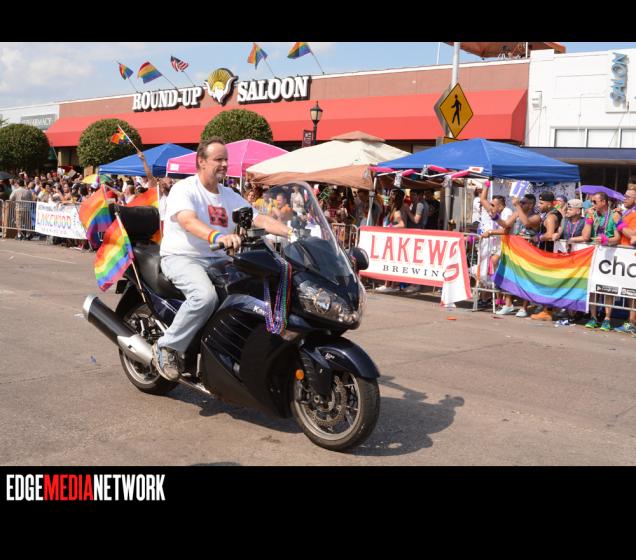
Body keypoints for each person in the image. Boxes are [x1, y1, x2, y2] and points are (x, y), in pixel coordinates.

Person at [153, 137, 294, 381]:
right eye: (218, 159)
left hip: (218, 260)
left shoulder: (229, 195)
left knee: (251, 294)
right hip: (183, 257)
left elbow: (258, 218)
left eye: (226, 159)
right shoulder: (185, 189)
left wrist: (291, 233)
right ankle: (167, 347)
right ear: (201, 161)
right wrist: (217, 236)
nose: (225, 164)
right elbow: (187, 220)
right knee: (204, 297)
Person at [582, 191, 621, 331]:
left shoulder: (614, 215)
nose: (592, 204)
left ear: (603, 202)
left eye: (594, 202)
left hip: (609, 255)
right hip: (594, 254)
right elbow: (586, 236)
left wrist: (606, 240)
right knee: (593, 287)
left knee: (607, 288)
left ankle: (607, 318)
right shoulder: (592, 215)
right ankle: (593, 317)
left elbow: (617, 238)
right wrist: (588, 218)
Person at [613, 185, 636, 335]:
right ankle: (630, 321)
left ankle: (632, 323)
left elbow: (633, 236)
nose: (624, 199)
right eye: (624, 196)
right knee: (629, 291)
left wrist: (618, 222)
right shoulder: (627, 213)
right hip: (625, 257)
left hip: (631, 256)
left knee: (633, 292)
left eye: (628, 197)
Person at [376, 189, 407, 293]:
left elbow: (402, 225)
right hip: (391, 239)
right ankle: (388, 284)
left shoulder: (397, 211)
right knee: (389, 261)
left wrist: (390, 227)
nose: (389, 197)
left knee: (391, 261)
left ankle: (391, 285)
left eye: (392, 195)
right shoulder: (393, 210)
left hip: (395, 239)